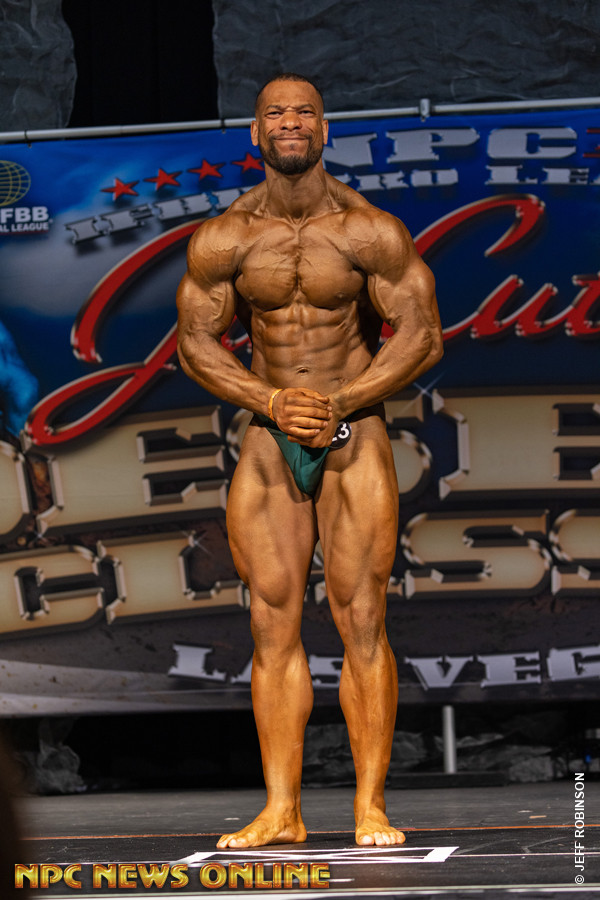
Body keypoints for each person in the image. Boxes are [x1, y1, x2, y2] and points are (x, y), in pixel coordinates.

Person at [177, 72, 443, 848]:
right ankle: (281, 810)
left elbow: (422, 333)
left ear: (325, 131)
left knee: (362, 618)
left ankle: (370, 808)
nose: (290, 122)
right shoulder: (225, 238)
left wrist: (344, 397)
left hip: (352, 434)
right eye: (276, 113)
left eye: (305, 112)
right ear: (255, 134)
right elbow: (194, 341)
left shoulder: (370, 232)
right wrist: (269, 400)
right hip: (270, 439)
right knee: (272, 623)